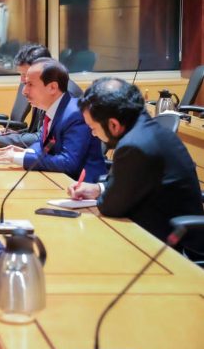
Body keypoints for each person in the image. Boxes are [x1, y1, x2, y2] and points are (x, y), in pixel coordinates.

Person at [68, 78, 204, 255]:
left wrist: (104, 196)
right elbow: (132, 182)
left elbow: (110, 207)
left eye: (92, 128)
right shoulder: (147, 128)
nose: (93, 134)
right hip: (157, 231)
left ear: (114, 124)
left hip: (172, 247)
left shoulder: (134, 145)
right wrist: (98, 188)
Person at [0, 58, 106, 182]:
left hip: (83, 186)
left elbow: (69, 163)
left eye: (30, 84)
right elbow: (43, 144)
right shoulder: (55, 108)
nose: (24, 91)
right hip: (58, 179)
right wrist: (27, 152)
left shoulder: (75, 114)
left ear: (52, 87)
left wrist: (21, 158)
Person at [0, 44, 83, 148]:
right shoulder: (41, 88)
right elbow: (39, 131)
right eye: (22, 75)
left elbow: (43, 139)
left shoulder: (66, 95)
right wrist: (15, 134)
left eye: (26, 75)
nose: (22, 80)